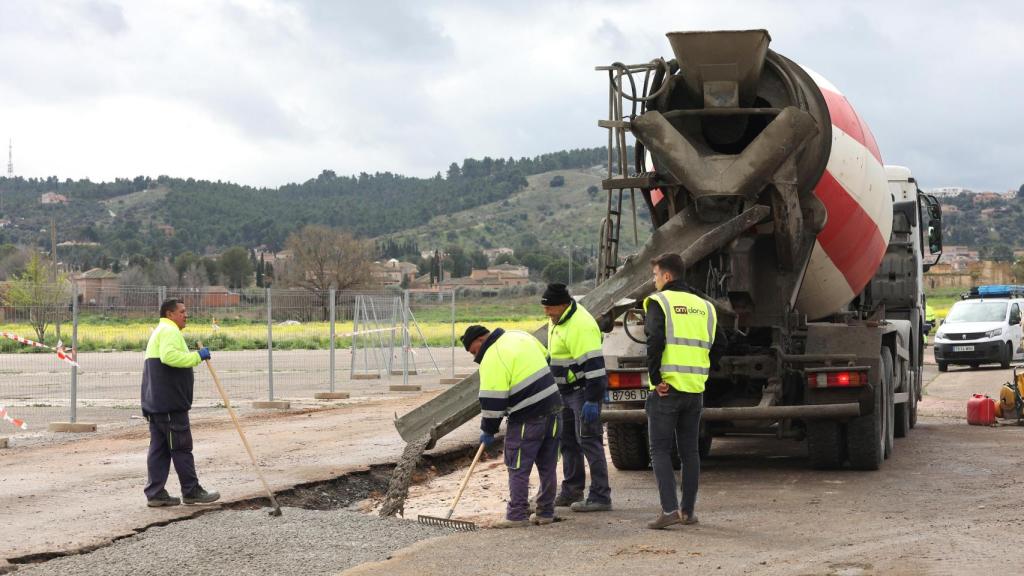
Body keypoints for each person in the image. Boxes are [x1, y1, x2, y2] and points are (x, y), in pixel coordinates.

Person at [643, 253, 725, 529]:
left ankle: (669, 510)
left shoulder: (660, 302)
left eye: (655, 275)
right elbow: (722, 343)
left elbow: (654, 341)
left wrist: (656, 378)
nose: (654, 281)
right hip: (695, 390)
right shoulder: (706, 307)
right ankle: (688, 512)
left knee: (660, 451)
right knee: (690, 452)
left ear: (667, 276)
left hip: (667, 389)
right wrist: (703, 369)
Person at [461, 324, 562, 528]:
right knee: (548, 464)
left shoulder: (492, 356)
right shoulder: (519, 335)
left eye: (474, 351)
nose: (475, 357)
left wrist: (488, 430)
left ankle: (517, 515)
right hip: (554, 409)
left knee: (517, 465)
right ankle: (546, 512)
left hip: (527, 417)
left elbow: (493, 401)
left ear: (481, 340)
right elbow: (547, 358)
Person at [141, 298, 220, 507]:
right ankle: (191, 491)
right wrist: (197, 357)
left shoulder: (160, 331)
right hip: (169, 405)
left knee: (159, 449)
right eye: (182, 311)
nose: (186, 315)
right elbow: (169, 358)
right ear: (169, 314)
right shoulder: (169, 331)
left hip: (157, 404)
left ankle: (156, 493)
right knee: (181, 447)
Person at [541, 283, 612, 512]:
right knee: (568, 441)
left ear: (563, 305)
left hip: (583, 392)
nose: (547, 313)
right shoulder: (557, 320)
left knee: (589, 441)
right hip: (564, 392)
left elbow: (595, 367)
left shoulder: (580, 325)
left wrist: (592, 399)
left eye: (550, 308)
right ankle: (571, 490)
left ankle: (601, 496)